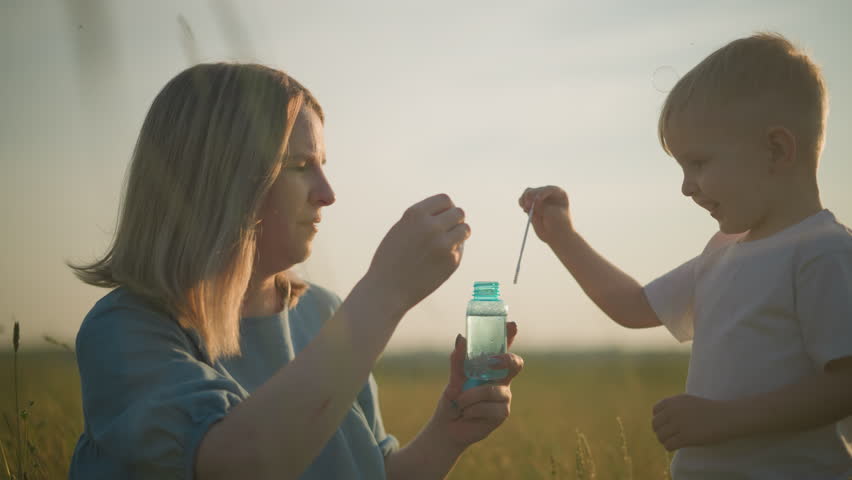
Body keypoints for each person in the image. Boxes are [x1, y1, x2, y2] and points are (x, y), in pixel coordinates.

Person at [67, 62, 523, 479]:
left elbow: (372, 471)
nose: (327, 193)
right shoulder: (127, 331)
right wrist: (386, 290)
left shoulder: (322, 312)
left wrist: (449, 430)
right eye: (301, 166)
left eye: (323, 166)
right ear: (221, 180)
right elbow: (241, 464)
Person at [519, 33, 852, 478]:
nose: (686, 186)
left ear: (776, 150)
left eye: (699, 163)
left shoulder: (824, 252)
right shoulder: (722, 256)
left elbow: (844, 386)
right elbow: (634, 306)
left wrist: (723, 420)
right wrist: (563, 237)